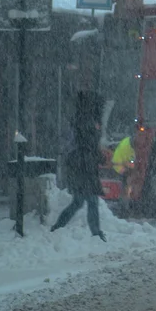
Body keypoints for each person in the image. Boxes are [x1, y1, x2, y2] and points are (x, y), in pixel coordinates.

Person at [50, 91, 107, 241]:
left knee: (78, 202)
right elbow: (90, 146)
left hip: (80, 168)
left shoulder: (79, 120)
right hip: (86, 169)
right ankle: (96, 233)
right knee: (90, 202)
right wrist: (99, 157)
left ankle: (58, 227)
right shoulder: (89, 123)